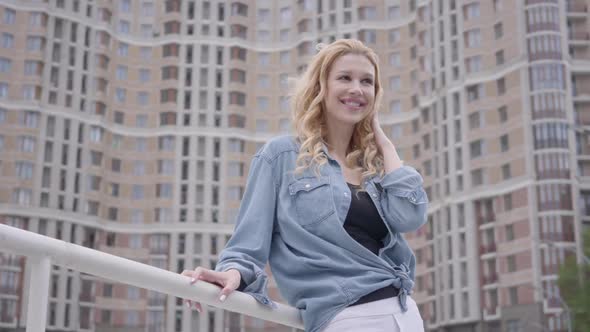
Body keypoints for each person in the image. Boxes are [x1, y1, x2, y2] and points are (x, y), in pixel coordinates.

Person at [181, 39, 428, 332]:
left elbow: (410, 217)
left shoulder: (374, 168)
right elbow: (247, 245)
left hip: (404, 314)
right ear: (321, 87)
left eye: (367, 82)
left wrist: (385, 145)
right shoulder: (281, 157)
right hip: (345, 318)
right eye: (344, 78)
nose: (357, 89)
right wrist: (232, 273)